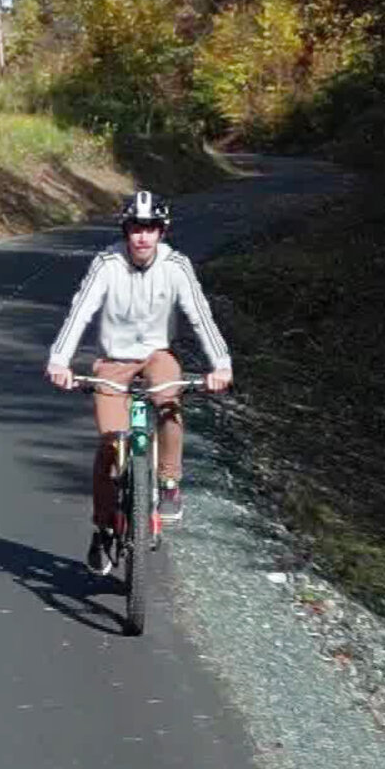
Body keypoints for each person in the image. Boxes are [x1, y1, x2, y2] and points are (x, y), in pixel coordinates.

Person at [45, 190, 233, 575]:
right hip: (113, 361)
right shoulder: (106, 263)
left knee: (169, 400)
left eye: (150, 229)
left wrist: (221, 365)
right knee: (111, 445)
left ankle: (167, 483)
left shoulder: (176, 266)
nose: (142, 237)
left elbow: (200, 316)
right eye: (135, 228)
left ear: (162, 231)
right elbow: (80, 312)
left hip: (157, 355)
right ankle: (102, 527)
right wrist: (60, 360)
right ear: (125, 230)